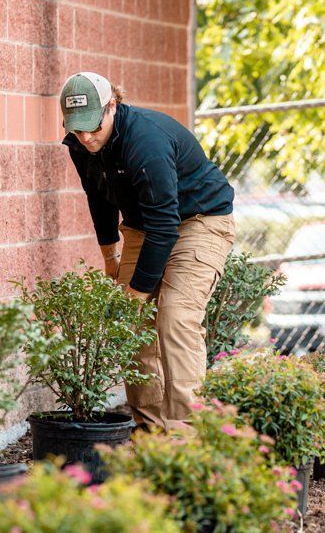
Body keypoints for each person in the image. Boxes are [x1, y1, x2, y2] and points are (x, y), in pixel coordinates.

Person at [61, 72, 236, 431]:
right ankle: (151, 432)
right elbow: (99, 197)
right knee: (132, 325)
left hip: (200, 221)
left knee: (174, 317)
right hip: (146, 225)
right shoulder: (81, 143)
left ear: (112, 106)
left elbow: (165, 226)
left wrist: (138, 292)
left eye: (93, 126)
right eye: (78, 129)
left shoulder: (146, 140)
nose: (87, 137)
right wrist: (111, 258)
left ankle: (185, 437)